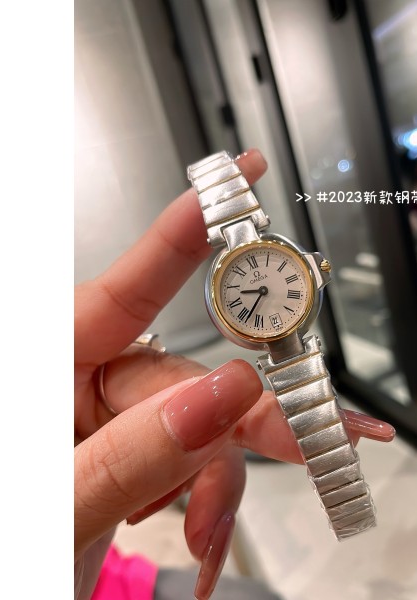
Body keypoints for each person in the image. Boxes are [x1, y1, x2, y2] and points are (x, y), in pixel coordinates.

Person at [74, 148, 396, 600]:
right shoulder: (260, 278)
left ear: (311, 273)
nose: (261, 287)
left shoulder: (262, 272)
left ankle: (351, 511)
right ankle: (351, 511)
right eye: (250, 289)